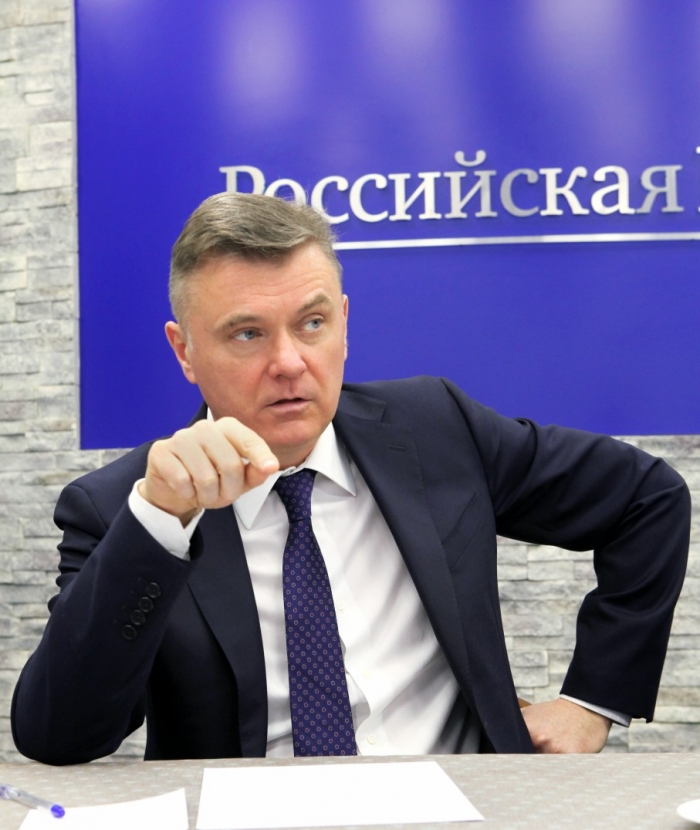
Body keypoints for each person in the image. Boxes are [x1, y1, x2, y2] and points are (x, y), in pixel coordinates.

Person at [11, 192, 690, 764]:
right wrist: (159, 525)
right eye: (247, 334)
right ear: (184, 350)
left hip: (463, 808)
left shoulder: (436, 429)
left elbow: (647, 498)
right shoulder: (122, 508)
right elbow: (58, 737)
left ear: (344, 322)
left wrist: (592, 699)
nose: (289, 362)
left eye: (312, 323)